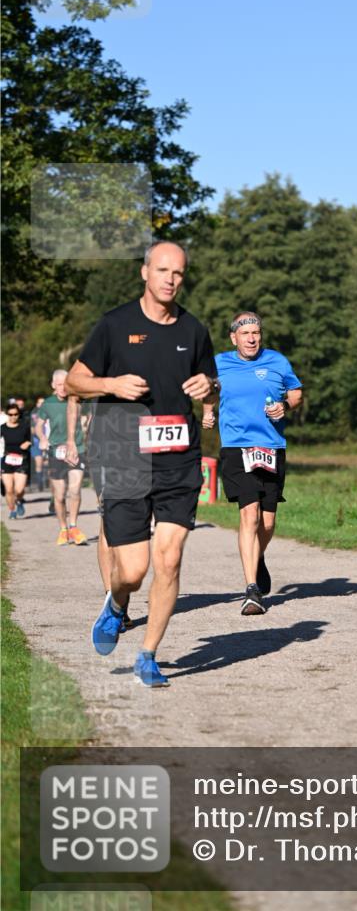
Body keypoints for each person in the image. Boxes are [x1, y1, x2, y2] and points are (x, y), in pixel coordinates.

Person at [65, 241, 218, 688]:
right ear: (144, 273)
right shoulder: (115, 325)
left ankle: (148, 654)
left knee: (168, 560)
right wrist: (111, 382)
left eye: (180, 272)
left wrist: (207, 387)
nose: (171, 279)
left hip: (178, 458)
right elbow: (75, 380)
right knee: (131, 571)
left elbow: (212, 390)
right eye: (163, 270)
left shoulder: (194, 330)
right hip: (123, 454)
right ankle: (116, 605)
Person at [206, 311, 302, 616]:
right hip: (236, 447)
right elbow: (207, 389)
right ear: (234, 338)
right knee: (250, 515)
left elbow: (296, 392)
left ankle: (256, 556)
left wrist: (284, 406)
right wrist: (208, 411)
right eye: (246, 334)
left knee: (268, 522)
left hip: (271, 446)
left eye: (256, 333)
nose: (252, 338)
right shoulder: (220, 363)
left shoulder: (277, 362)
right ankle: (251, 590)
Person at [65, 393, 132, 632]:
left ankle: (121, 590)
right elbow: (74, 392)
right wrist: (72, 440)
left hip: (142, 444)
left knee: (133, 523)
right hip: (105, 446)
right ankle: (111, 600)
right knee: (110, 516)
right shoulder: (101, 357)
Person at [36, 370, 88, 546]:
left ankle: (73, 526)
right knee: (59, 495)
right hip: (56, 452)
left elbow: (87, 419)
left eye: (65, 384)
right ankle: (63, 529)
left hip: (77, 450)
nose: (63, 388)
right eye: (59, 385)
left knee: (75, 490)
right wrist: (42, 438)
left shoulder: (78, 400)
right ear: (53, 385)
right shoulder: (47, 404)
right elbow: (38, 426)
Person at [1, 404, 31, 519]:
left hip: (21, 460)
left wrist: (27, 443)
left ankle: (19, 500)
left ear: (19, 414)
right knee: (8, 490)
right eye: (11, 414)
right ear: (7, 415)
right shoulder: (2, 428)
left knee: (19, 490)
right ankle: (12, 510)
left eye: (16, 414)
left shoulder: (24, 427)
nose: (13, 417)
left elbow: (31, 439)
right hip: (7, 460)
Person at [30, 397, 46, 491]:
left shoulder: (50, 413)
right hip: (37, 442)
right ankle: (40, 483)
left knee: (47, 463)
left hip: (50, 441)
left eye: (43, 403)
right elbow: (32, 429)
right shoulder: (34, 415)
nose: (42, 405)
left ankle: (48, 481)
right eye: (40, 403)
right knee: (39, 463)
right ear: (37, 404)